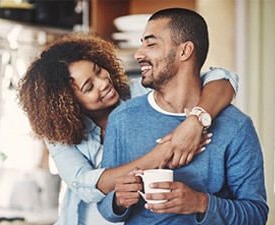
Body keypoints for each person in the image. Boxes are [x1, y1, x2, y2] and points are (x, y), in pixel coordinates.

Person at [17, 32, 238, 225]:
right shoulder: (58, 133)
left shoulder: (140, 93)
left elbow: (223, 78)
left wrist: (195, 122)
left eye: (98, 70)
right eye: (89, 86)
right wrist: (166, 150)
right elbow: (86, 184)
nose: (103, 82)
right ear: (68, 103)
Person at [97, 8, 268, 225]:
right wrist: (118, 201)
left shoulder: (236, 127)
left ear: (184, 51)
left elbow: (256, 215)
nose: (138, 54)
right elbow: (105, 206)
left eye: (150, 44)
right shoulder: (122, 119)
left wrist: (200, 203)